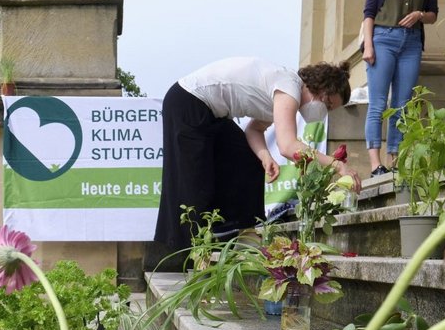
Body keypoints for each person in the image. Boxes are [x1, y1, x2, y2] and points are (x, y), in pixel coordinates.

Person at [154, 57, 361, 259]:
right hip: (188, 101)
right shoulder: (289, 87)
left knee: (247, 159)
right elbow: (288, 146)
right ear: (321, 89)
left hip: (210, 112)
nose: (324, 112)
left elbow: (254, 130)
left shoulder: (284, 93)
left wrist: (264, 156)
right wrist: (337, 165)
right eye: (328, 105)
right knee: (194, 181)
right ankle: (190, 253)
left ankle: (245, 233)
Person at [361, 0, 439, 177]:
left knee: (403, 104)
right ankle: (375, 163)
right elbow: (369, 12)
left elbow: (433, 14)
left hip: (412, 43)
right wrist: (368, 46)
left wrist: (419, 15)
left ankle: (394, 160)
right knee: (378, 103)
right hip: (383, 39)